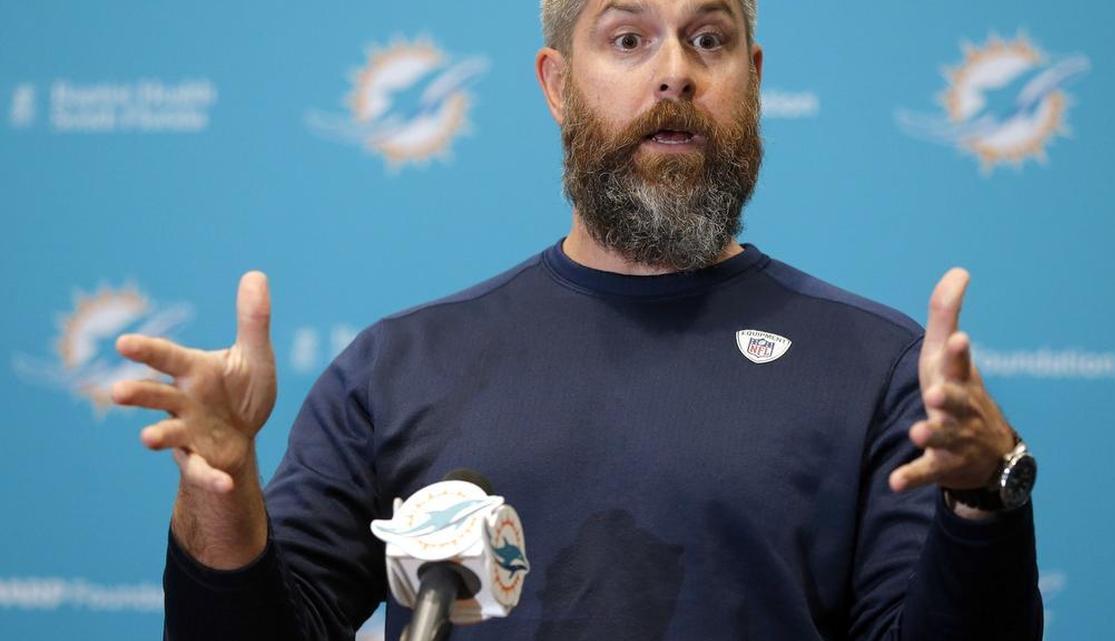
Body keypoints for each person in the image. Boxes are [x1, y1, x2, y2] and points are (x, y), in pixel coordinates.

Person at [113, 1, 1044, 639]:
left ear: (753, 80)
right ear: (557, 84)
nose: (675, 73)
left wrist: (985, 499)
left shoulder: (876, 368)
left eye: (709, 39)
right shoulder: (398, 366)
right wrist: (220, 489)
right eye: (628, 39)